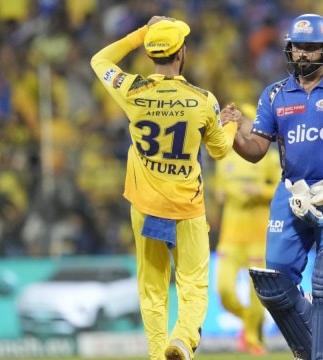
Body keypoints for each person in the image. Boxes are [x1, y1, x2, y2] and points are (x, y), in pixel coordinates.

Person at [227, 13, 323, 360]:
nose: (304, 55)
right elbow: (254, 150)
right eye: (298, 48)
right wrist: (236, 133)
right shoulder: (276, 94)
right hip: (293, 194)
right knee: (272, 283)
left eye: (312, 49)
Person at [90, 16, 239, 360]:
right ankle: (183, 342)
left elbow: (99, 60)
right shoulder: (202, 99)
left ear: (151, 54)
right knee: (193, 287)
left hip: (145, 207)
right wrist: (228, 125)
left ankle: (159, 355)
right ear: (181, 54)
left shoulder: (132, 91)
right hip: (188, 210)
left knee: (153, 290)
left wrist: (142, 33)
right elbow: (219, 150)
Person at [213, 103, 281, 355]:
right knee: (224, 290)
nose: (242, 125)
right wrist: (220, 195)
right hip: (230, 238)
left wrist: (260, 192)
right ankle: (248, 323)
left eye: (247, 120)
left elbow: (283, 190)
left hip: (257, 238)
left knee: (257, 296)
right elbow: (220, 192)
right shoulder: (225, 158)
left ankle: (253, 340)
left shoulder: (268, 158)